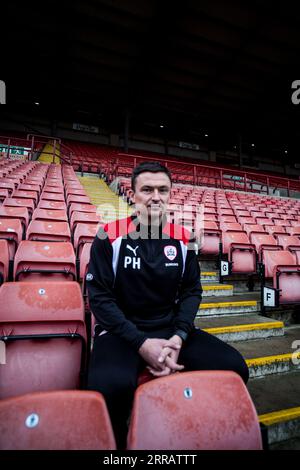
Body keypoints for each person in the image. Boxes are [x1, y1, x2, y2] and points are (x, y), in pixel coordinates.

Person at [86, 161, 249, 449]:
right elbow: (99, 297)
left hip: (169, 328)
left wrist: (179, 336)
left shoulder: (183, 240)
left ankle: (205, 434)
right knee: (107, 387)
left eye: (163, 190)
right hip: (120, 333)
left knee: (234, 366)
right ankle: (119, 445)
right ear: (133, 195)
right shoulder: (108, 237)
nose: (155, 196)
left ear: (170, 194)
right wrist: (140, 342)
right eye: (147, 189)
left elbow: (191, 291)